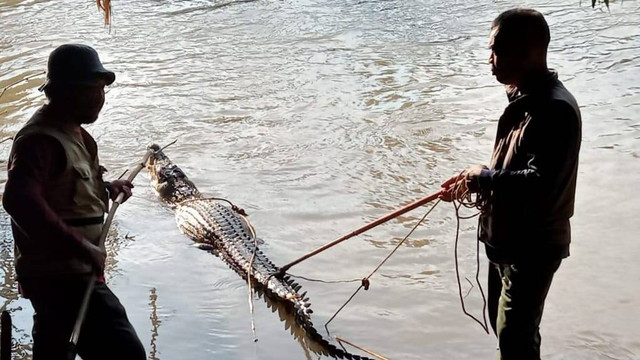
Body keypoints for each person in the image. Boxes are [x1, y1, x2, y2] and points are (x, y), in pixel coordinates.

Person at [439, 9, 581, 360]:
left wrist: (483, 178)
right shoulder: (524, 100)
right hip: (505, 239)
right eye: (491, 50)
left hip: (532, 246)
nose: (491, 60)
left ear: (531, 52)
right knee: (508, 334)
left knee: (516, 338)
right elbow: (518, 166)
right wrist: (477, 177)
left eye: (498, 51)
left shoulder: (554, 109)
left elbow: (541, 182)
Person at [2, 44, 146, 359]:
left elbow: (63, 189)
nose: (102, 98)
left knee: (54, 347)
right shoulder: (40, 140)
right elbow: (19, 200)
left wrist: (106, 188)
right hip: (62, 276)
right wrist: (83, 248)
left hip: (69, 273)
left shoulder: (72, 132)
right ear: (68, 92)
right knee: (125, 353)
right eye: (95, 89)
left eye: (103, 90)